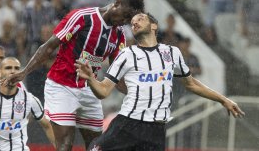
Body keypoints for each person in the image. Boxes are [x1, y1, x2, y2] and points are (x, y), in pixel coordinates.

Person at [75, 13, 245, 151]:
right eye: (132, 22)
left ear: (154, 26)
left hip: (156, 131)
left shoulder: (172, 53)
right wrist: (91, 79)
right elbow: (104, 91)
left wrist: (223, 99)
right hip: (128, 124)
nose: (134, 23)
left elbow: (192, 84)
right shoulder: (127, 54)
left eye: (140, 19)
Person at [1, 0, 145, 150]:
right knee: (65, 145)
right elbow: (49, 46)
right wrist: (24, 72)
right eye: (124, 16)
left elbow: (116, 74)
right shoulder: (83, 17)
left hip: (89, 89)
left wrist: (137, 94)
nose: (123, 22)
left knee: (96, 146)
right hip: (61, 86)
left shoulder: (119, 35)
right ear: (116, 4)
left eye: (127, 21)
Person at [0, 57, 55, 150]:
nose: (13, 71)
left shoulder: (29, 99)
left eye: (17, 68)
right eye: (8, 68)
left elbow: (47, 126)